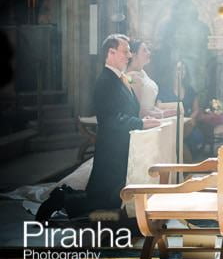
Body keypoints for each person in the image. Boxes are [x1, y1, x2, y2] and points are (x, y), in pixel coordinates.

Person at [36, 34, 161, 221]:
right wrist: (141, 123)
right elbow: (110, 119)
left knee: (106, 199)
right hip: (110, 148)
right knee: (101, 201)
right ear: (111, 53)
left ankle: (66, 197)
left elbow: (129, 110)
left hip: (121, 146)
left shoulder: (121, 78)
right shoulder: (105, 81)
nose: (129, 55)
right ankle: (61, 197)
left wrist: (144, 118)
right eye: (125, 51)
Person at [157, 61, 202, 160]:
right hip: (170, 124)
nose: (181, 72)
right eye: (178, 69)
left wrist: (192, 118)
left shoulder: (190, 90)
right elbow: (158, 106)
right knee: (177, 140)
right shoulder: (164, 89)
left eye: (184, 69)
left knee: (189, 136)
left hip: (187, 124)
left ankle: (184, 166)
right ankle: (185, 167)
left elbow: (196, 109)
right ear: (173, 71)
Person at [126, 39, 175, 118]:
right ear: (134, 55)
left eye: (148, 50)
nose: (149, 53)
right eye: (144, 50)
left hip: (151, 118)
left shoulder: (142, 73)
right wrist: (162, 114)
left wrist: (162, 111)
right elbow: (139, 111)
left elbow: (149, 106)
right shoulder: (131, 77)